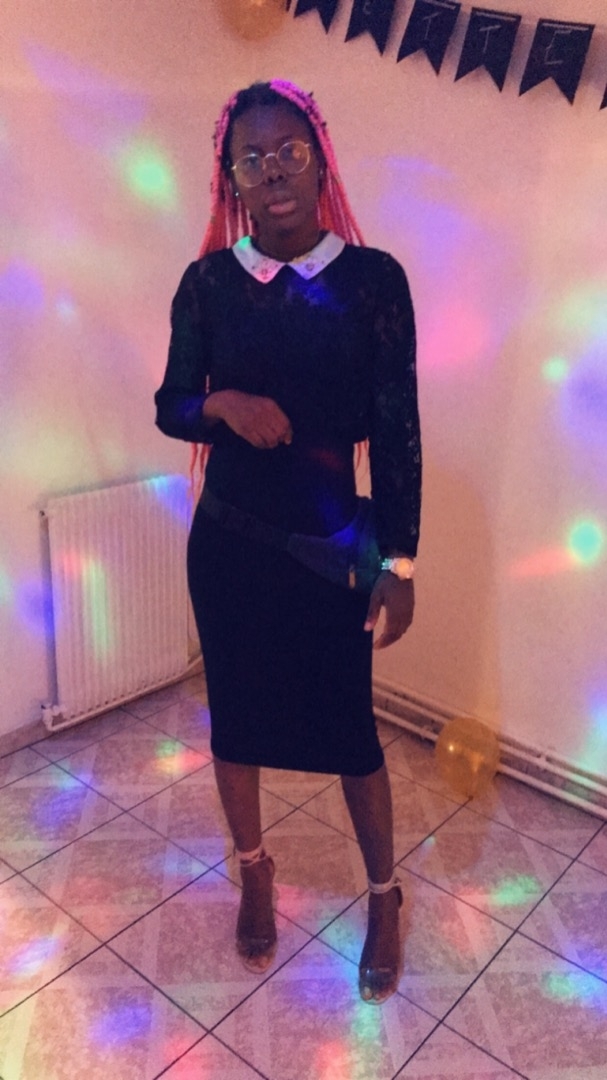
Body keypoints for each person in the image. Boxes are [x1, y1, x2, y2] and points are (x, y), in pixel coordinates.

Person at [155, 79, 421, 1005]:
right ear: (230, 178)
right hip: (228, 548)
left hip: (331, 550)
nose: (272, 172)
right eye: (252, 158)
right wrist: (222, 404)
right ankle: (254, 870)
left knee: (350, 734)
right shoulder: (207, 285)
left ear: (319, 161)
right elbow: (171, 405)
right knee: (236, 722)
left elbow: (397, 431)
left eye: (289, 152)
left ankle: (385, 895)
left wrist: (398, 561)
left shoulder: (373, 281)